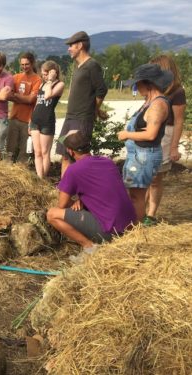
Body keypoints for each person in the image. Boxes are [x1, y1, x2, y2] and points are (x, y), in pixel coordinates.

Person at [47, 131, 136, 257]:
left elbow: (62, 204)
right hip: (130, 226)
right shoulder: (107, 161)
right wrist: (82, 200)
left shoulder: (74, 170)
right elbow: (104, 189)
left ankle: (89, 247)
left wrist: (75, 202)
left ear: (70, 151)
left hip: (112, 231)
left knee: (52, 214)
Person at [117, 63, 172, 222]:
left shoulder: (158, 105)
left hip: (144, 156)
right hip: (138, 155)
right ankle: (133, 223)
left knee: (137, 196)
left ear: (149, 83)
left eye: (138, 83)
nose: (136, 86)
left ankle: (135, 228)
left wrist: (127, 134)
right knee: (134, 194)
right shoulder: (150, 101)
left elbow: (150, 134)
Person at [55, 31, 108, 176]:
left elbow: (101, 89)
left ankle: (83, 193)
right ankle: (64, 190)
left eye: (71, 45)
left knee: (79, 157)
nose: (69, 48)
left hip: (82, 119)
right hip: (70, 118)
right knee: (65, 154)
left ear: (80, 45)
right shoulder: (78, 67)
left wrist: (94, 110)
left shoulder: (92, 65)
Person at [144, 55, 187, 225]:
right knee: (145, 176)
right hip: (149, 133)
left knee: (155, 178)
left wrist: (174, 147)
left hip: (165, 136)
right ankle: (139, 210)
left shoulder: (177, 91)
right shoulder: (152, 89)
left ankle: (151, 214)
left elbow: (178, 121)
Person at [30, 60, 65, 178]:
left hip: (47, 122)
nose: (43, 76)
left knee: (45, 153)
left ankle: (43, 178)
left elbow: (48, 95)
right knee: (37, 152)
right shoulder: (42, 84)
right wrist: (31, 120)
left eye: (46, 74)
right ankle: (39, 178)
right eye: (42, 74)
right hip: (36, 120)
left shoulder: (59, 84)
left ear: (53, 72)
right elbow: (38, 102)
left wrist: (50, 80)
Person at [6, 52, 42, 164]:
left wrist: (16, 95)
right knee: (10, 150)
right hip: (14, 118)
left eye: (27, 64)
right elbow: (8, 95)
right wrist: (23, 98)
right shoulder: (16, 77)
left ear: (32, 63)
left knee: (24, 151)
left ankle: (21, 175)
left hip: (28, 120)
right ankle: (7, 173)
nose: (24, 66)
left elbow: (31, 100)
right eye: (22, 64)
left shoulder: (37, 79)